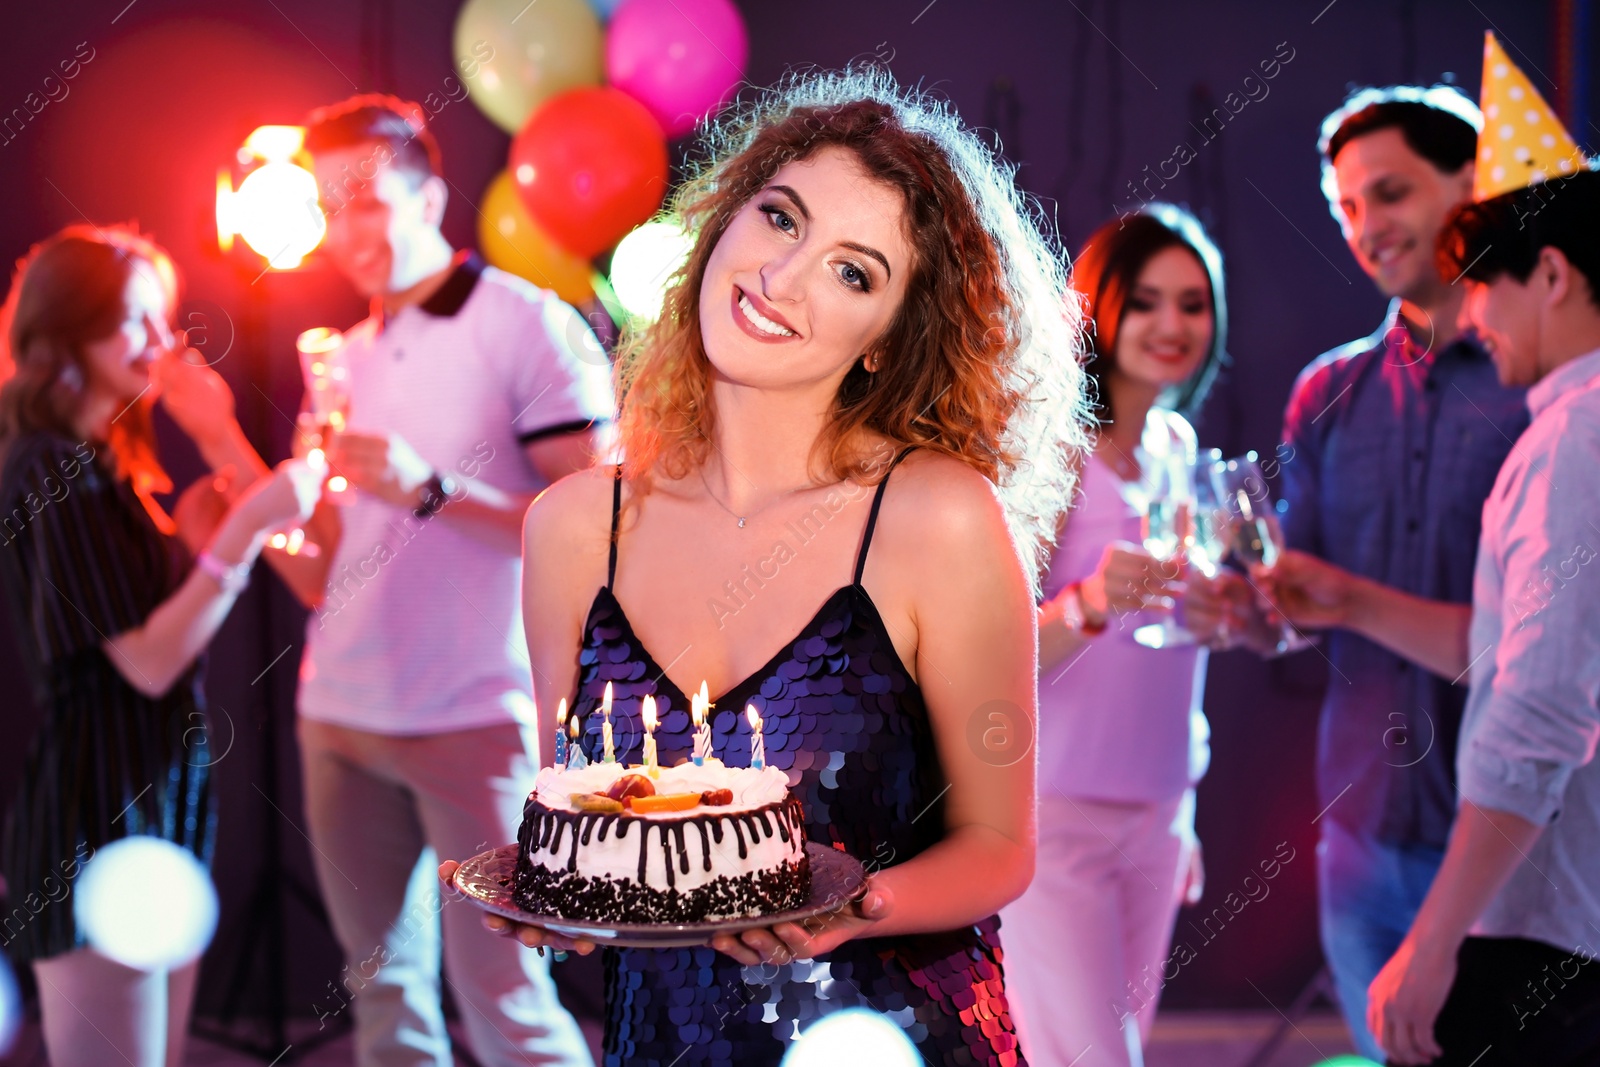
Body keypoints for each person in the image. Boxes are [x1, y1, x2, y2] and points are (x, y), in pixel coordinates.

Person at [442, 67, 1088, 1066]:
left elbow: (1000, 846)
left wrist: (851, 909)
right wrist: (558, 905)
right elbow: (579, 820)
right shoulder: (572, 526)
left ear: (887, 339)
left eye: (853, 271)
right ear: (722, 223)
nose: (781, 278)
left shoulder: (933, 518)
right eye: (780, 218)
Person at [275, 95, 612, 1067]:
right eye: (328, 208)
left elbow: (596, 530)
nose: (347, 232)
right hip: (338, 712)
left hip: (477, 714)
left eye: (367, 201)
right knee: (384, 996)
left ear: (427, 195)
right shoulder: (344, 354)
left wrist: (431, 488)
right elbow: (327, 564)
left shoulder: (524, 323)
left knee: (505, 996)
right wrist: (265, 527)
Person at [1267, 164, 1600, 1067]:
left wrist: (1434, 938)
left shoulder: (1573, 438)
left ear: (1555, 277)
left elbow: (1535, 718)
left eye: (1485, 280)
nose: (1476, 312)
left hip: (1549, 921)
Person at [0, 225, 319, 1067]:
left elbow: (133, 613)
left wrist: (194, 537)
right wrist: (241, 535)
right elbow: (143, 661)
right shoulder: (44, 465)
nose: (161, 345)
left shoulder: (105, 461)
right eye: (138, 322)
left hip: (158, 803)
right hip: (94, 816)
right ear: (72, 331)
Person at [999, 203, 1240, 1067]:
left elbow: (1172, 639)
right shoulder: (1054, 451)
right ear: (1098, 307)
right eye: (1145, 301)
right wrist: (1092, 602)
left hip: (1161, 808)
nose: (1172, 325)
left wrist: (1217, 617)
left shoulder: (1177, 443)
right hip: (1055, 815)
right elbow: (987, 654)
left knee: (1117, 1049)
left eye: (1192, 302)